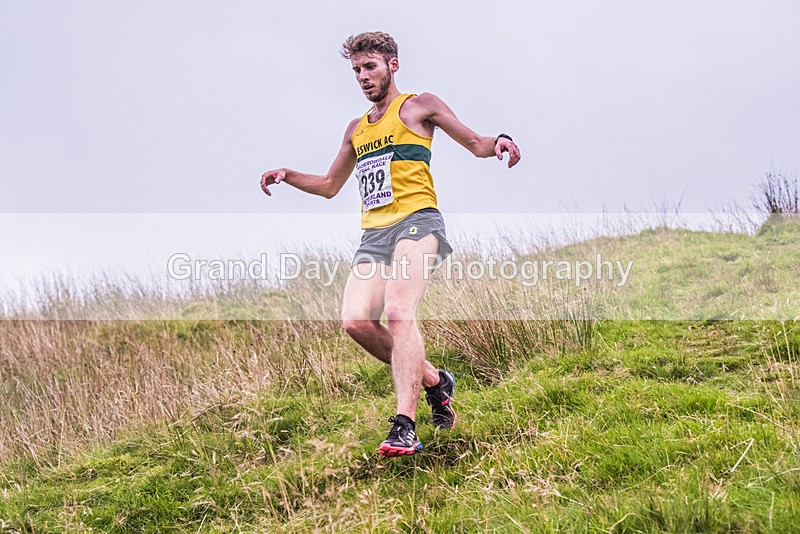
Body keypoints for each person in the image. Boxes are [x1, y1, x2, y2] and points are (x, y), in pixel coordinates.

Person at [261, 31, 521, 457]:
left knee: (400, 313)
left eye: (370, 67)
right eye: (357, 71)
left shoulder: (419, 106)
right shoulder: (356, 130)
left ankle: (405, 425)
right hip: (375, 235)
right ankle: (437, 381)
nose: (363, 77)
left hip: (418, 222)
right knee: (355, 322)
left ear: (392, 65)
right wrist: (288, 175)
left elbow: (475, 144)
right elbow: (329, 185)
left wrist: (501, 143)